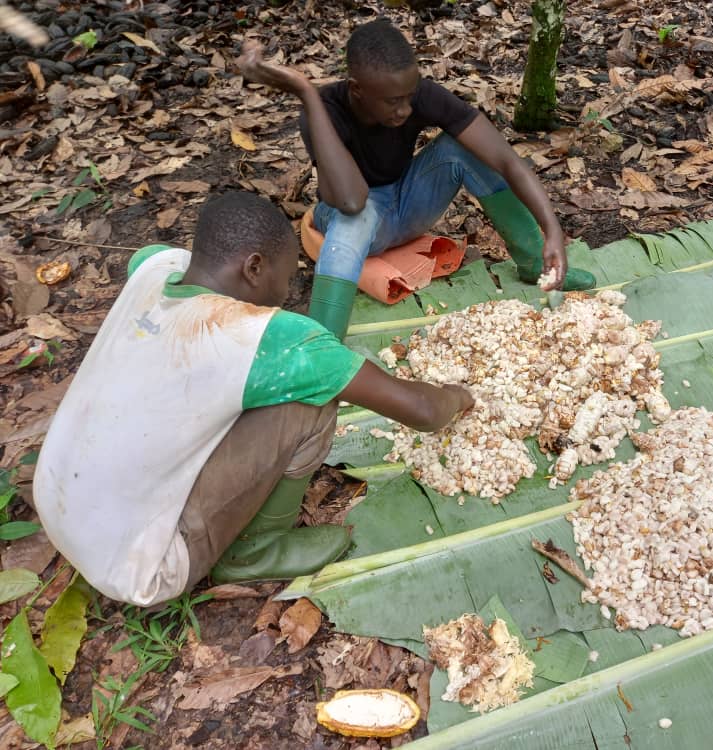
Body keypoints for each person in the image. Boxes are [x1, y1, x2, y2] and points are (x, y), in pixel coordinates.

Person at [33, 192, 473, 607]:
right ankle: (254, 552)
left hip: (58, 505)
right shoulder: (266, 337)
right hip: (144, 568)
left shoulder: (157, 269)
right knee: (311, 401)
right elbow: (424, 412)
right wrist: (461, 395)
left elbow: (145, 257)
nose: (286, 293)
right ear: (254, 268)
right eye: (286, 278)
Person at [237, 18, 597, 341]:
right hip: (356, 221)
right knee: (354, 216)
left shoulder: (416, 95)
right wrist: (307, 95)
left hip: (407, 203)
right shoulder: (325, 110)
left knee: (463, 148)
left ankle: (533, 260)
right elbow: (349, 200)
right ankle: (324, 343)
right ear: (357, 89)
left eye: (409, 97)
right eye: (393, 101)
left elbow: (506, 160)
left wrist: (550, 230)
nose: (405, 110)